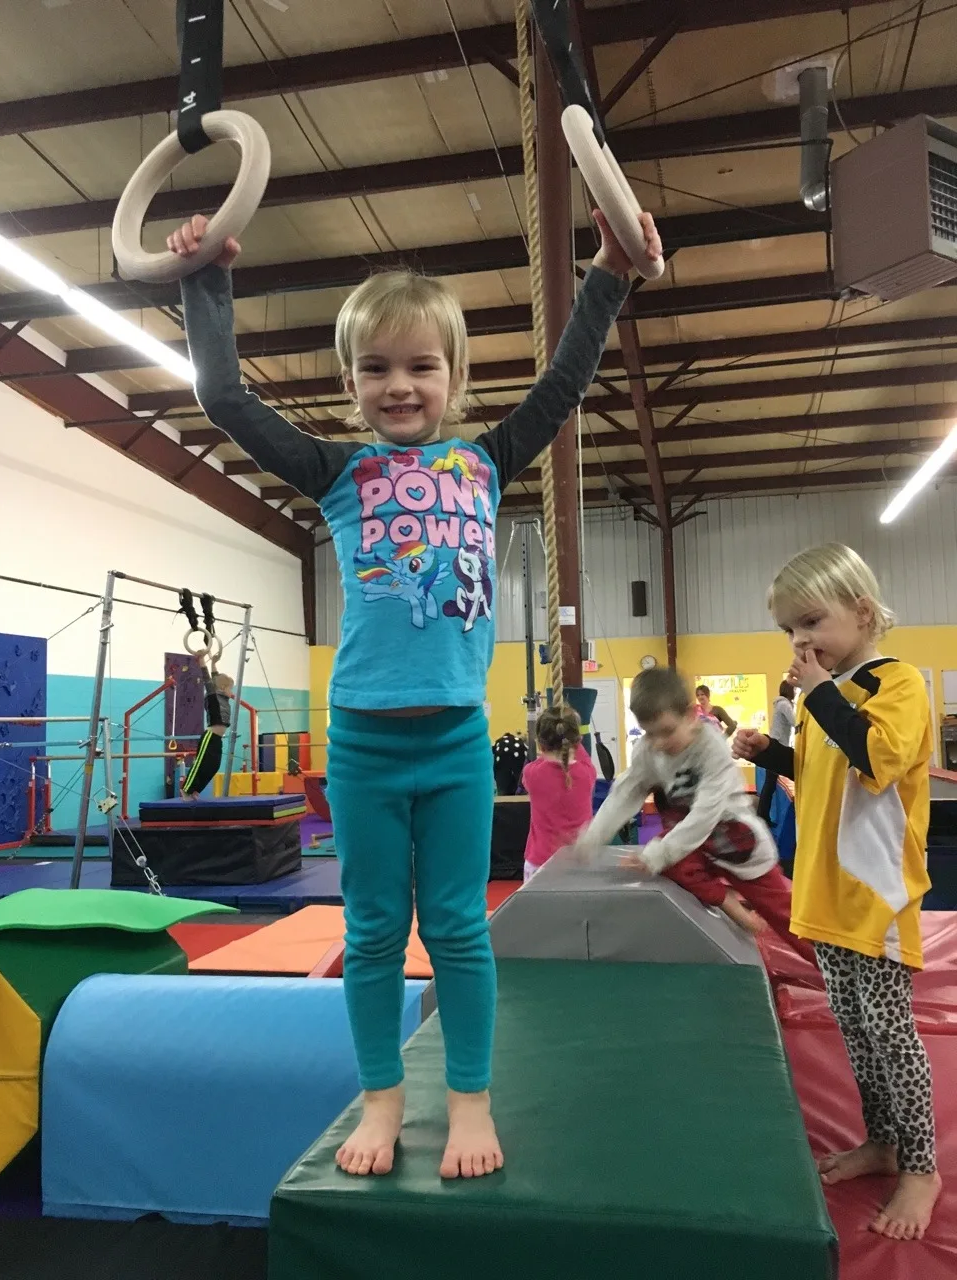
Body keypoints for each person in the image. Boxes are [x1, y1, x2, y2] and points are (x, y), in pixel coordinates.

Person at [170, 207, 662, 1181]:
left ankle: (469, 1098)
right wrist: (206, 281)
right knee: (372, 929)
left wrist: (608, 270)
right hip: (360, 741)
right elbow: (225, 399)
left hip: (451, 743)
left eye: (421, 366)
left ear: (454, 376)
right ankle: (385, 1097)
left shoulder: (483, 460)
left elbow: (564, 383)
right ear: (352, 385)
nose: (400, 385)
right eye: (377, 369)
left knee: (459, 926)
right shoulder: (338, 469)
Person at [733, 543, 939, 1241]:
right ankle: (882, 1140)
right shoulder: (830, 699)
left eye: (811, 622)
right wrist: (772, 754)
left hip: (874, 895)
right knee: (855, 1032)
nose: (799, 642)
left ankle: (921, 1166)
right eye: (789, 631)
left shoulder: (898, 683)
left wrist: (816, 692)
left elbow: (876, 760)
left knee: (893, 1033)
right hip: (824, 897)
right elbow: (826, 776)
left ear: (861, 611)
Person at [576, 667, 813, 960]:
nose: (659, 742)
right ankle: (725, 900)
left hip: (735, 840)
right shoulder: (649, 750)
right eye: (650, 734)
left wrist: (659, 854)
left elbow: (705, 814)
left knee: (786, 916)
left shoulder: (710, 747)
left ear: (691, 715)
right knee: (657, 861)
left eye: (667, 731)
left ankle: (833, 972)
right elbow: (626, 793)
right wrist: (594, 836)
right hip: (692, 845)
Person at [521, 705, 596, 882]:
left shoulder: (531, 774)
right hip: (577, 864)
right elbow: (579, 752)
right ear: (578, 741)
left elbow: (544, 763)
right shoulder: (587, 773)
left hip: (540, 863)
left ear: (540, 744)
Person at [181, 648, 234, 799]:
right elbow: (207, 678)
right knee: (200, 765)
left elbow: (216, 678)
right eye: (231, 688)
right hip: (209, 737)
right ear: (223, 688)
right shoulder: (212, 696)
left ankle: (195, 789)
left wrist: (215, 663)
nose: (232, 692)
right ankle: (186, 789)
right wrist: (202, 659)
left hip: (217, 739)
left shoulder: (224, 698)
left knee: (214, 766)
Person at [756, 680, 796, 821]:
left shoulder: (780, 704)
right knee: (770, 783)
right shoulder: (784, 704)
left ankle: (763, 814)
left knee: (770, 783)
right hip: (778, 743)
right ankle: (762, 815)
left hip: (777, 741)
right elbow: (795, 721)